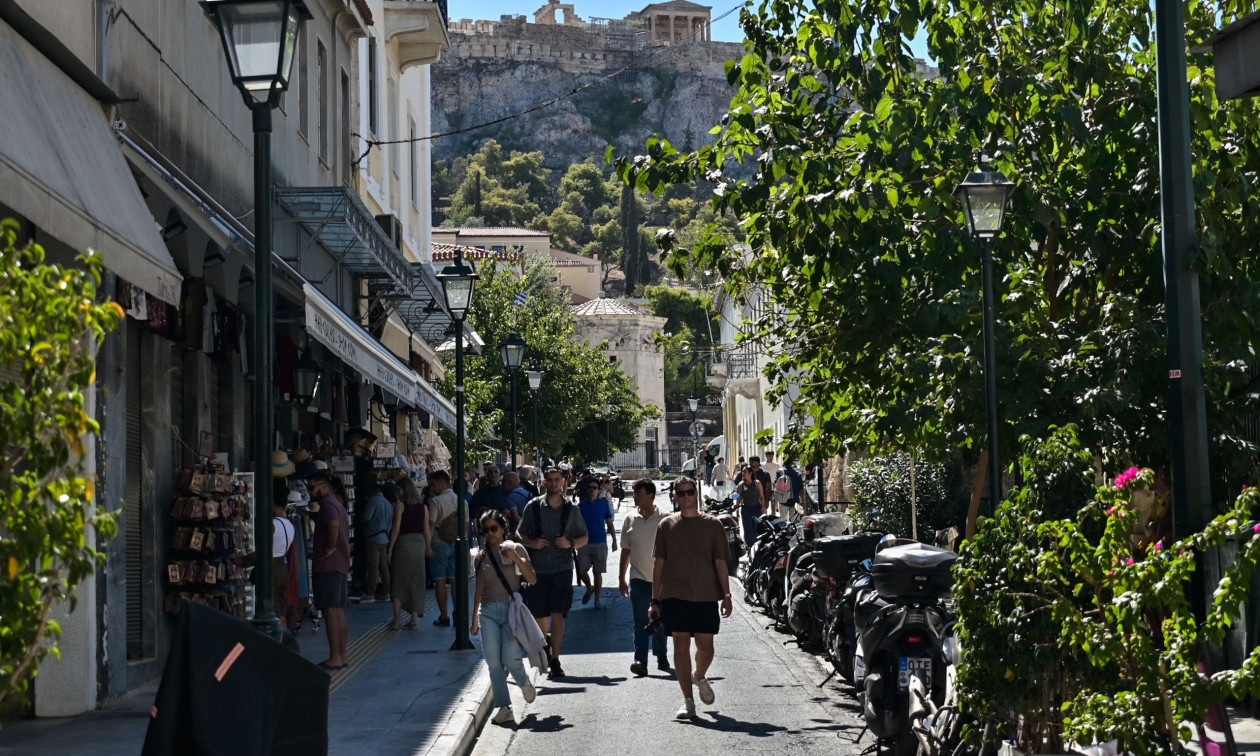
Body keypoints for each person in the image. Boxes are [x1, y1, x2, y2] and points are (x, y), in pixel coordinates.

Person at [648, 476, 732, 720]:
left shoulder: (713, 525)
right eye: (681, 493)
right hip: (675, 595)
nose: (685, 496)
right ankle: (688, 700)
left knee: (706, 647)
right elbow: (659, 565)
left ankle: (700, 675)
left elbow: (720, 562)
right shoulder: (666, 525)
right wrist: (655, 600)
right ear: (675, 496)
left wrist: (726, 595)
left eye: (689, 492)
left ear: (696, 493)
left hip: (706, 595)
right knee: (680, 645)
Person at [516, 466, 589, 679]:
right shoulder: (533, 507)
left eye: (558, 479)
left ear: (563, 482)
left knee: (558, 613)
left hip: (562, 568)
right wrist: (532, 541)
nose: (554, 483)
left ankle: (555, 659)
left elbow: (584, 538)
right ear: (544, 482)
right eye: (550, 480)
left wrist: (570, 543)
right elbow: (519, 532)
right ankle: (546, 641)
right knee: (540, 616)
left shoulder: (572, 510)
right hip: (537, 570)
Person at [472, 510, 539, 726]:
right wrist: (474, 617)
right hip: (488, 611)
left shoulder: (515, 548)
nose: (490, 533)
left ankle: (523, 680)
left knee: (510, 659)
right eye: (486, 529)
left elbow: (532, 579)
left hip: (511, 610)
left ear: (503, 529)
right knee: (493, 661)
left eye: (494, 528)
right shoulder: (481, 556)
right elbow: (479, 588)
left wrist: (516, 558)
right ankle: (504, 708)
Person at [618, 479, 669, 676]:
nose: (635, 496)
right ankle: (640, 659)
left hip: (662, 578)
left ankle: (661, 653)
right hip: (638, 577)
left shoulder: (665, 518)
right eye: (634, 493)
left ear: (651, 495)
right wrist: (622, 578)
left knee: (659, 619)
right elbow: (625, 550)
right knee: (640, 619)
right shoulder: (630, 519)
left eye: (638, 493)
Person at [307, 470, 350, 670]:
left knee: (330, 611)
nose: (309, 492)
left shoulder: (327, 504)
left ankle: (335, 656)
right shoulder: (338, 503)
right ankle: (342, 655)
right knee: (338, 610)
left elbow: (333, 526)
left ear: (323, 485)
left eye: (311, 487)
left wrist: (329, 548)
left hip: (328, 565)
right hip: (340, 564)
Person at [388, 478, 431, 631]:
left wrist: (390, 549)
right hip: (419, 543)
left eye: (398, 489)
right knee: (416, 581)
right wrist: (428, 548)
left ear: (404, 490)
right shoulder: (423, 508)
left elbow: (396, 529)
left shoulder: (400, 506)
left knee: (399, 581)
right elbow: (427, 532)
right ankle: (414, 619)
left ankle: (397, 620)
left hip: (404, 543)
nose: (397, 493)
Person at [575, 478, 618, 609]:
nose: (591, 490)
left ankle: (597, 600)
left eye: (594, 488)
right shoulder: (581, 506)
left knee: (597, 572)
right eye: (590, 488)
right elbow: (575, 524)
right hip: (584, 542)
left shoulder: (603, 505)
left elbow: (610, 523)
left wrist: (614, 541)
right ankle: (589, 587)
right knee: (581, 571)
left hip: (600, 542)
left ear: (599, 491)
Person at [427, 470, 459, 627]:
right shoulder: (462, 501)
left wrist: (427, 546)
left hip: (438, 544)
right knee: (455, 581)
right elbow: (465, 528)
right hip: (456, 544)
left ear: (442, 483)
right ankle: (458, 613)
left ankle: (444, 616)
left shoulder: (436, 502)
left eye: (433, 484)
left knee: (439, 581)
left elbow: (431, 526)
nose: (431, 488)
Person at [359, 483, 394, 603]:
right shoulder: (388, 503)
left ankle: (370, 593)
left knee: (373, 566)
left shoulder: (372, 501)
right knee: (383, 566)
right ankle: (386, 592)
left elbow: (366, 518)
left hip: (372, 537)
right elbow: (390, 522)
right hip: (384, 537)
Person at [735, 466, 767, 547]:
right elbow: (738, 497)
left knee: (756, 528)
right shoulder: (741, 485)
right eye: (742, 472)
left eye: (745, 472)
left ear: (750, 473)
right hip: (746, 509)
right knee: (747, 529)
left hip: (756, 508)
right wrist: (736, 509)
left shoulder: (757, 483)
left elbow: (761, 496)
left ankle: (758, 545)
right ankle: (750, 546)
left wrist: (763, 507)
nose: (743, 474)